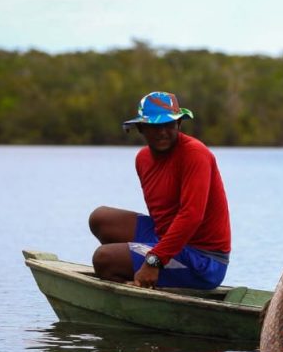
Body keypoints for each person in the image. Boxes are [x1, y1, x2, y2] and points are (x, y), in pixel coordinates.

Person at [90, 91, 231, 290]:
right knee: (100, 218)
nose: (162, 132)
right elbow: (162, 219)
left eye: (169, 125)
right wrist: (157, 253)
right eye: (154, 126)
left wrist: (154, 261)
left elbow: (191, 216)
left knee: (104, 258)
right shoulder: (142, 159)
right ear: (141, 127)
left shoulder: (195, 154)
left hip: (204, 260)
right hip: (168, 241)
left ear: (179, 125)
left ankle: (139, 282)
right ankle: (136, 273)